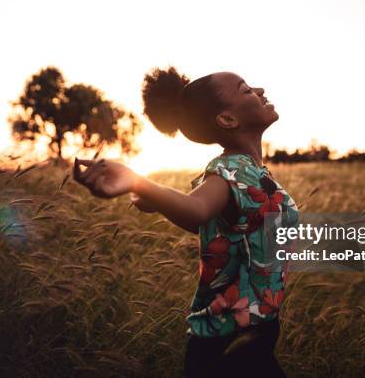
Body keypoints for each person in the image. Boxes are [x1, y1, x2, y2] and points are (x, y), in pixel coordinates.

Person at [73, 67, 299, 377]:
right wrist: (138, 182)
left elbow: (215, 225)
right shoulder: (229, 171)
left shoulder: (252, 172)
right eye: (246, 90)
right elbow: (197, 209)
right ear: (228, 120)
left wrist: (161, 204)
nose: (259, 90)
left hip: (256, 333)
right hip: (226, 343)